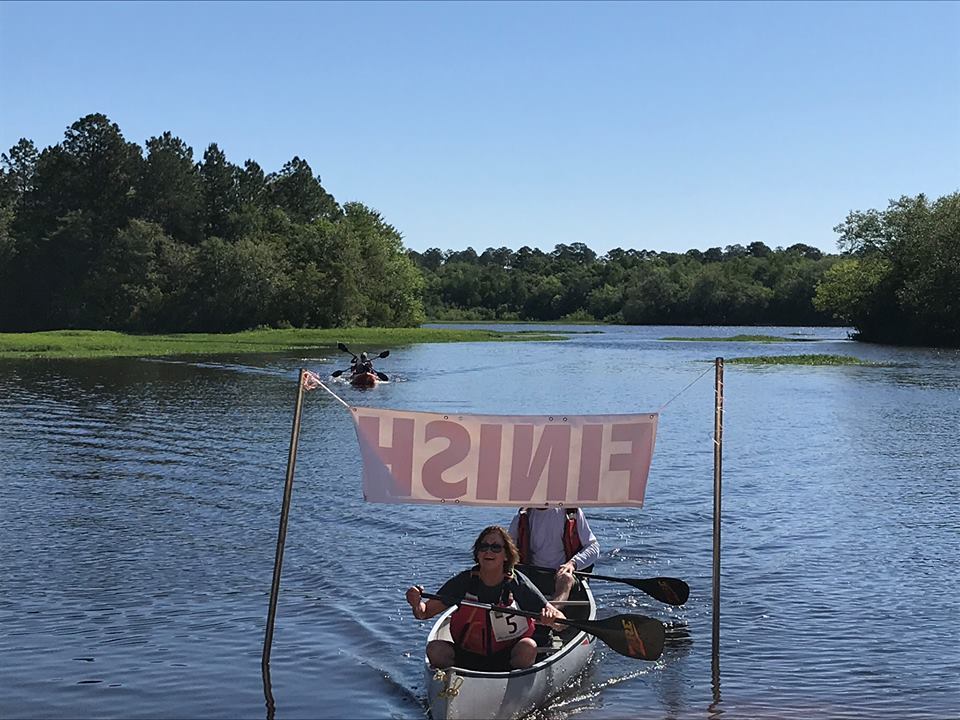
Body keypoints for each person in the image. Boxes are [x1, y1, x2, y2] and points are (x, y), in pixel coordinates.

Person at [405, 525, 566, 672]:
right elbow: (424, 613)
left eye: (495, 547)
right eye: (484, 547)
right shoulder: (464, 581)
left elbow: (560, 622)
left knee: (528, 647)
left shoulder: (516, 582)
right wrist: (416, 603)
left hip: (507, 656)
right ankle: (453, 684)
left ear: (505, 555)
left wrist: (552, 618)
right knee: (434, 649)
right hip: (467, 654)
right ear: (478, 553)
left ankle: (514, 687)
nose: (488, 552)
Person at [508, 507, 600, 604]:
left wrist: (572, 564)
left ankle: (553, 610)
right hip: (531, 575)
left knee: (566, 578)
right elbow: (508, 551)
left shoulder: (571, 512)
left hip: (562, 575)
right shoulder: (522, 516)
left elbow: (593, 547)